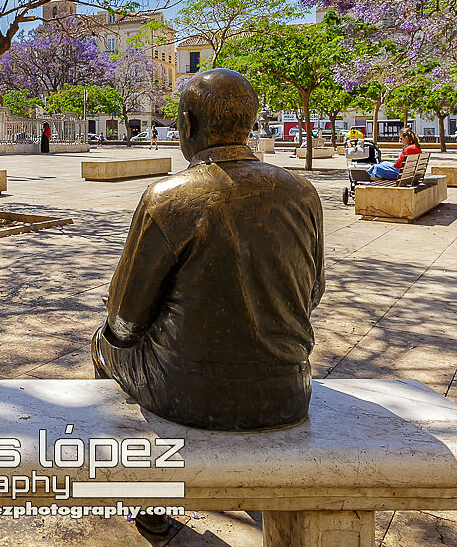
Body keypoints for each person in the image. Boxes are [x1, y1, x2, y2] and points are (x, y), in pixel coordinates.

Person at [92, 68, 324, 447]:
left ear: (188, 124)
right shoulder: (303, 192)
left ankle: (130, 473)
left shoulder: (166, 198)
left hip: (189, 395)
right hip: (289, 391)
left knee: (102, 344)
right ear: (249, 123)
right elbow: (312, 293)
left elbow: (124, 324)